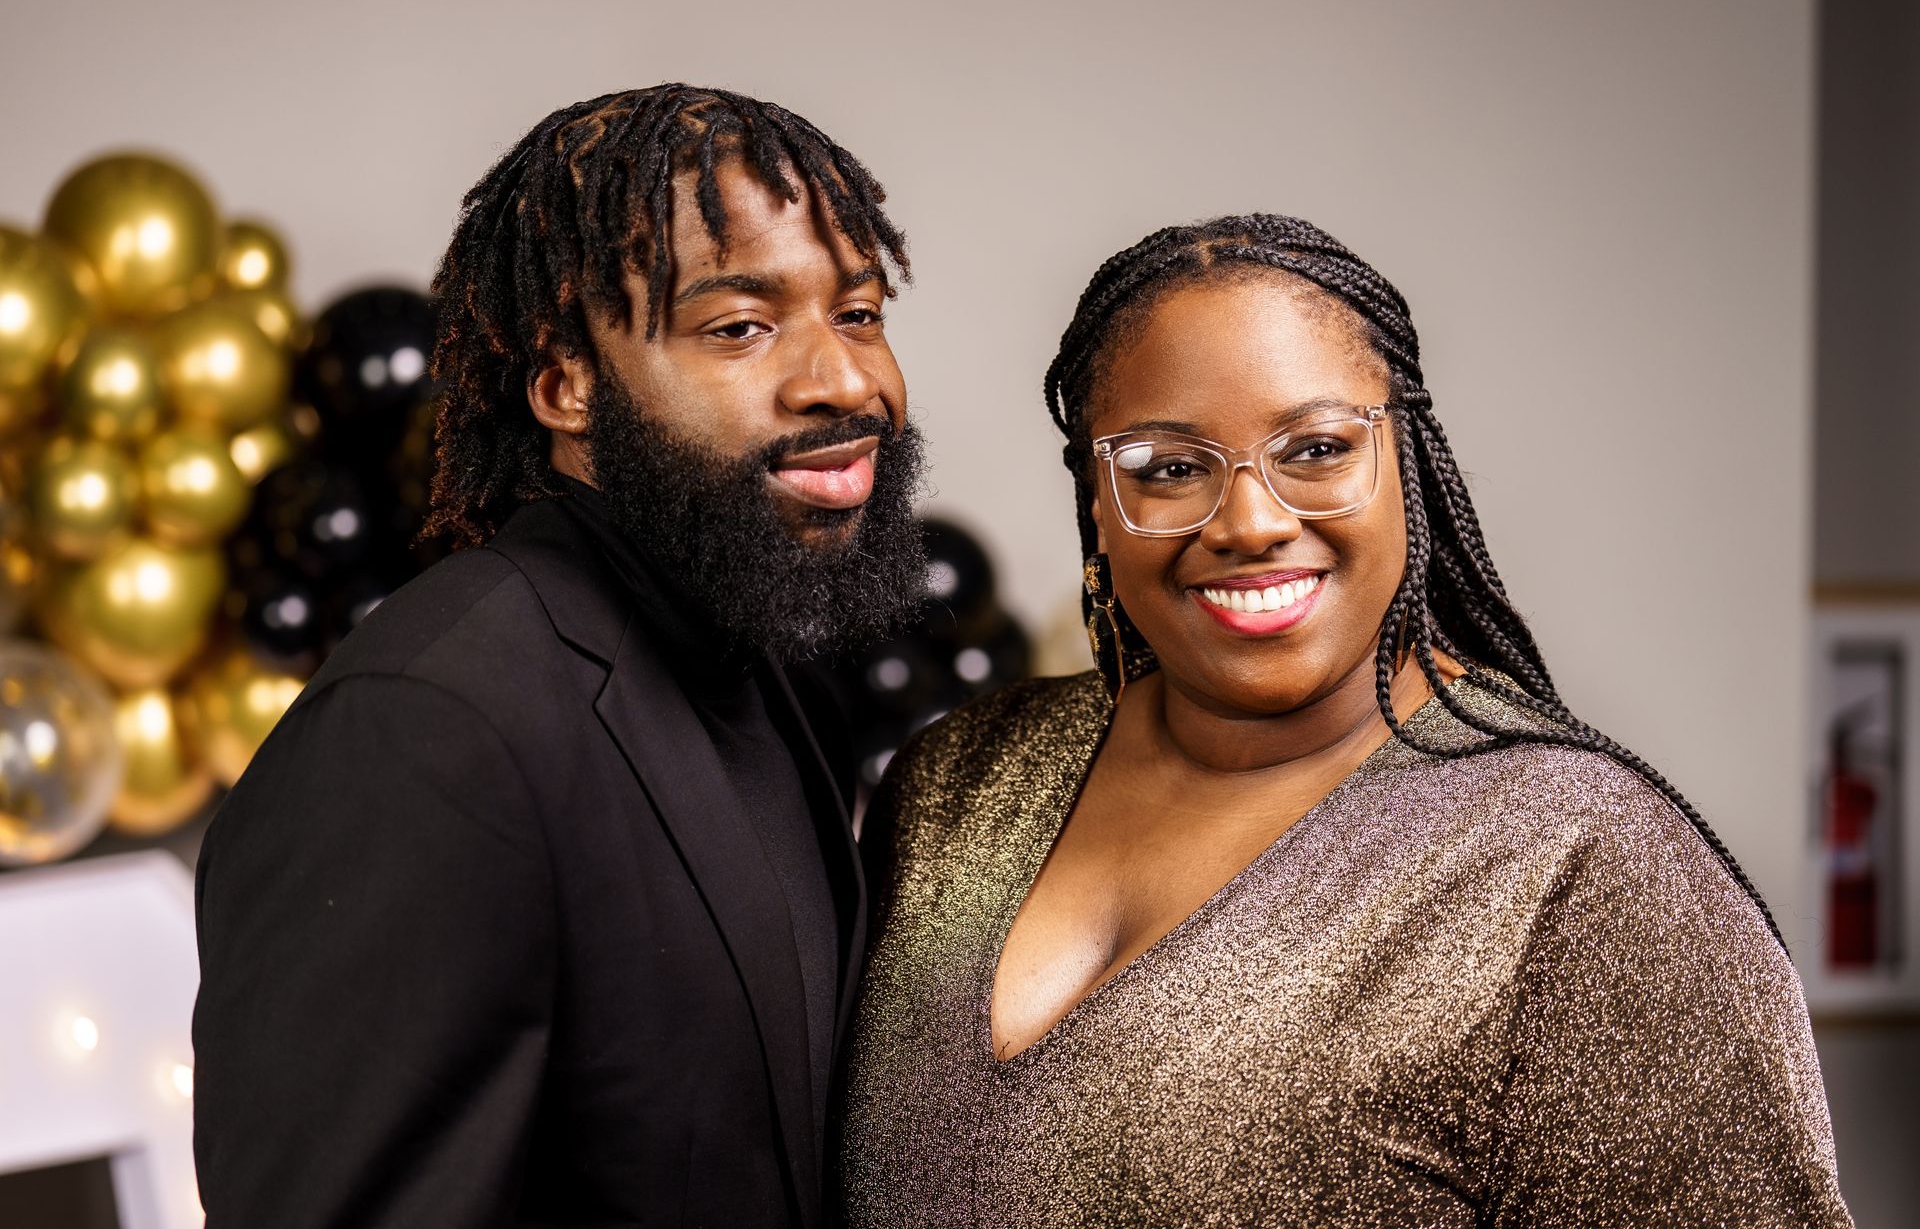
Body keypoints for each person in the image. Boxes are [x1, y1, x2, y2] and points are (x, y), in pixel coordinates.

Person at [839, 214, 1852, 1227]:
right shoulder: (955, 785)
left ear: (1408, 464)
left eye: (1317, 447)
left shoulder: (1585, 865)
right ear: (1098, 500)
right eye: (1169, 466)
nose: (1248, 521)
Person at [193, 84, 926, 1228]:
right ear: (566, 383)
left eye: (862, 312)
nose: (841, 379)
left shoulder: (763, 661)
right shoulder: (421, 729)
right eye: (739, 325)